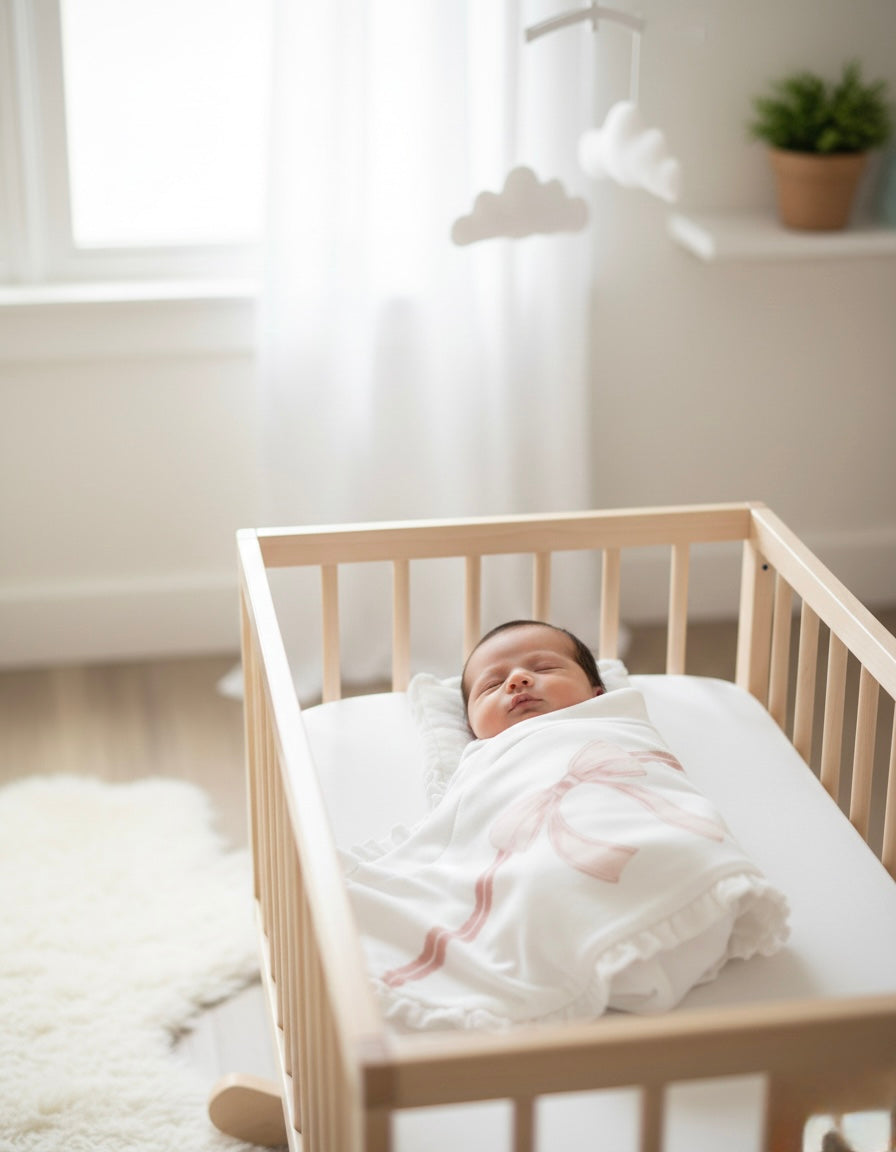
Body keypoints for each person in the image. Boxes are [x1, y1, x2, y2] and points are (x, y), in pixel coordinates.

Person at [461, 619, 605, 740]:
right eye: (493, 684)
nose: (516, 679)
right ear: (471, 727)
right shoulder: (476, 760)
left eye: (544, 668)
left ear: (597, 695)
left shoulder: (617, 718)